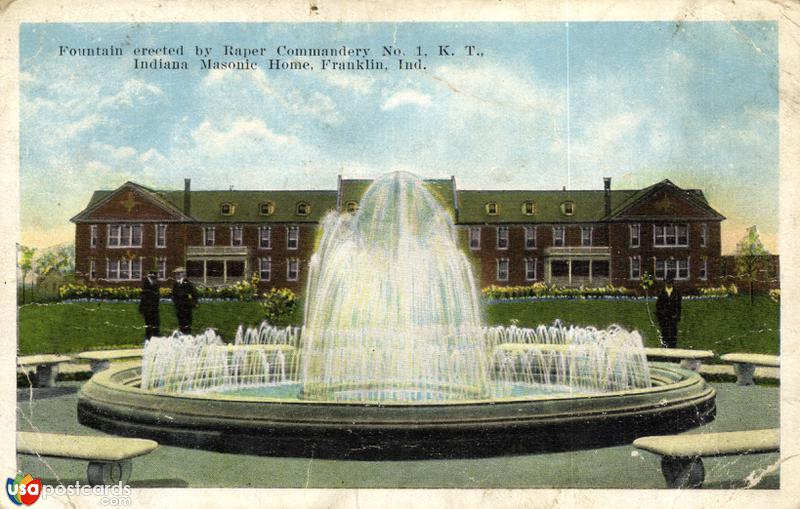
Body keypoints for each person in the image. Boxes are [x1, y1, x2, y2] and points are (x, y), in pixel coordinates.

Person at [656, 274, 682, 349]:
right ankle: (665, 348)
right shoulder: (661, 293)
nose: (668, 284)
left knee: (673, 334)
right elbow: (658, 306)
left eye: (670, 282)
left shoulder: (676, 293)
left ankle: (673, 348)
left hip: (673, 317)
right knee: (665, 334)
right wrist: (660, 316)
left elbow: (679, 306)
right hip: (664, 318)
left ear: (672, 283)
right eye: (667, 282)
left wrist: (677, 316)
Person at [171, 267, 198, 334]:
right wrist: (175, 302)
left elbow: (194, 293)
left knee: (187, 322)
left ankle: (187, 335)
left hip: (186, 306)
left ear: (182, 274)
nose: (176, 275)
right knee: (181, 321)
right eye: (176, 274)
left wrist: (194, 303)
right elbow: (173, 294)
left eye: (178, 274)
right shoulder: (175, 284)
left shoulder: (187, 283)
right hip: (179, 306)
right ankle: (182, 334)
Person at [139, 270, 160, 339]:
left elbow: (157, 296)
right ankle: (149, 337)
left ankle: (155, 336)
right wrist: (141, 309)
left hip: (154, 307)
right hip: (147, 307)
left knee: (155, 323)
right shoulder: (146, 284)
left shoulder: (155, 284)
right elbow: (143, 298)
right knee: (148, 323)